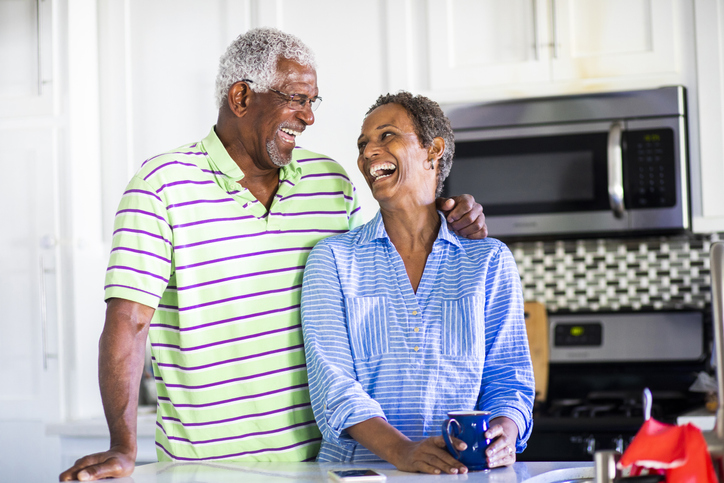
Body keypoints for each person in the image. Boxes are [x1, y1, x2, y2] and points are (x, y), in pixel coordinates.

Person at [59, 28, 487, 481]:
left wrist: (449, 216)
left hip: (323, 464)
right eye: (297, 99)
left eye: (312, 102)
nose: (309, 118)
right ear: (242, 97)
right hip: (204, 468)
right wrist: (123, 446)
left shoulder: (331, 183)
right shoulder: (161, 186)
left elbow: (380, 261)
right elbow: (129, 324)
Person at [301, 92, 534, 475]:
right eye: (363, 145)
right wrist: (404, 452)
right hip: (362, 474)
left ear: (433, 150)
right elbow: (335, 388)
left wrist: (505, 434)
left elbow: (510, 381)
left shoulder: (488, 261)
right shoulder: (334, 259)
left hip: (463, 472)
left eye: (387, 135)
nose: (368, 152)